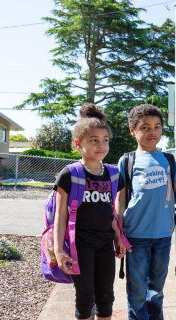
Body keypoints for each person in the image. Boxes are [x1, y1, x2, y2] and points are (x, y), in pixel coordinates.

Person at [116, 104, 176, 320]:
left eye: (157, 127)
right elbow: (120, 202)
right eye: (145, 127)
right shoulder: (127, 161)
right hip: (135, 237)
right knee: (137, 292)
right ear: (133, 131)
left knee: (156, 291)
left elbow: (175, 196)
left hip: (164, 236)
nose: (152, 132)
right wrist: (118, 234)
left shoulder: (168, 160)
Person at [54, 103, 127, 320]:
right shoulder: (69, 174)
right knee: (85, 298)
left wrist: (119, 237)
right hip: (80, 245)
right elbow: (60, 215)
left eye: (104, 140)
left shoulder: (113, 174)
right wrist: (59, 250)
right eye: (93, 140)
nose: (101, 145)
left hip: (105, 244)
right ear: (78, 144)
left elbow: (110, 211)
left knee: (106, 298)